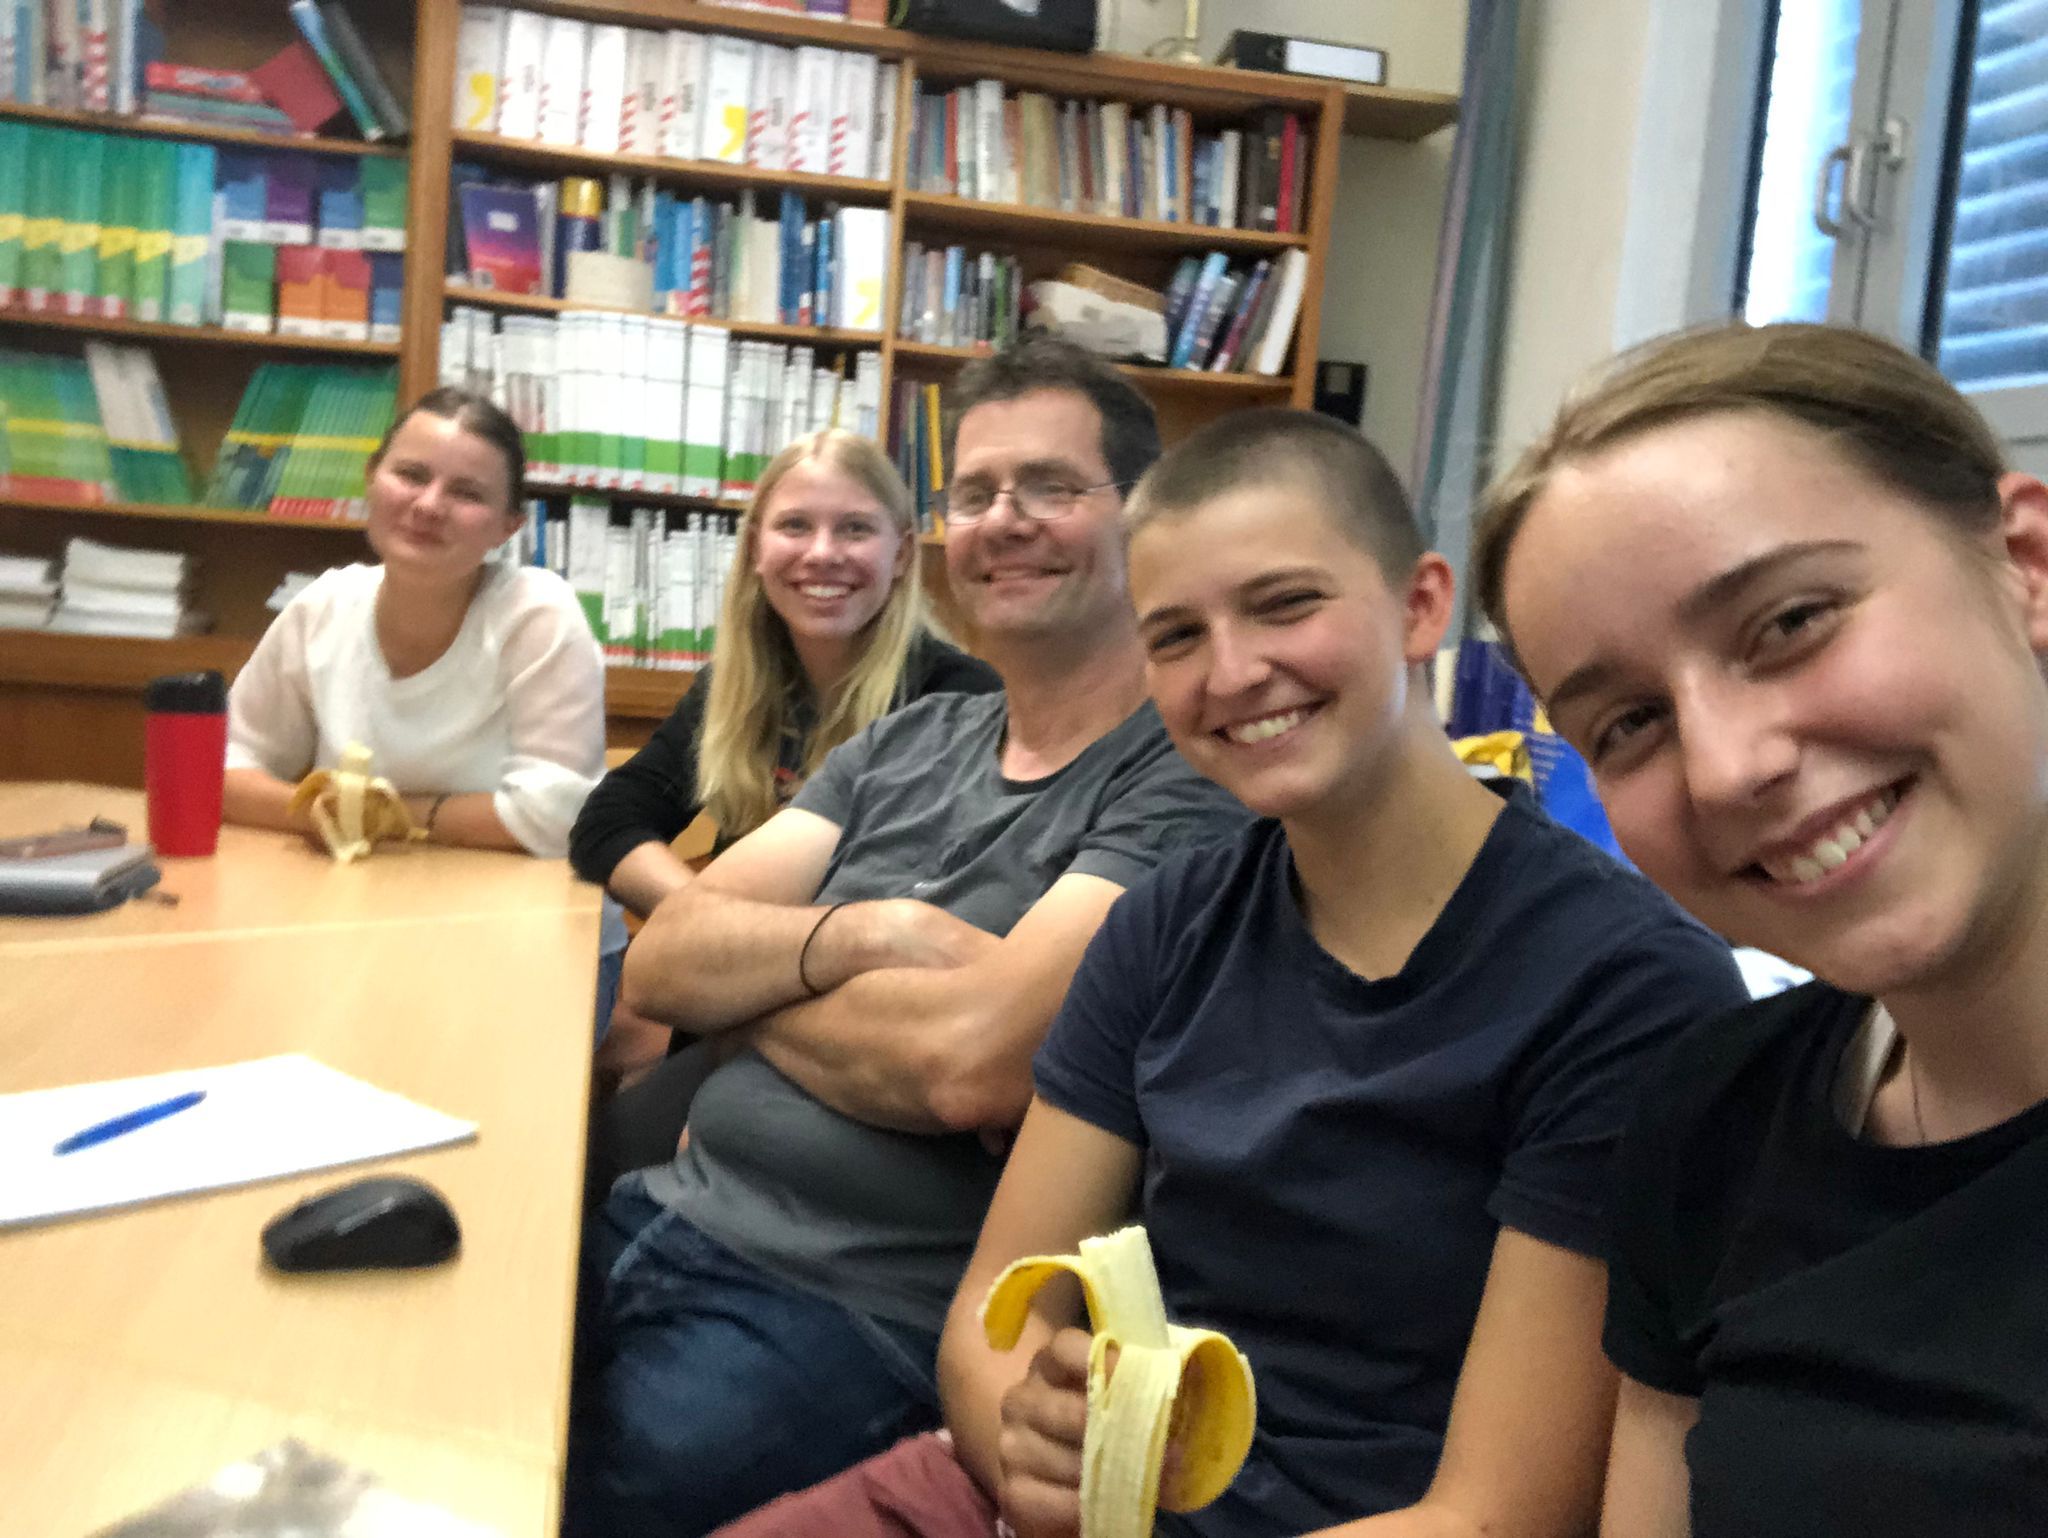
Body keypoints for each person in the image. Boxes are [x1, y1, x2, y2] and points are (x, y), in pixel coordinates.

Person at [710, 409, 1748, 1538]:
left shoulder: (1625, 989)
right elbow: (996, 1313)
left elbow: (1498, 1512)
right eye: (1175, 636)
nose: (1233, 673)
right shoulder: (1166, 922)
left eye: (1284, 604)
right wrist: (1026, 1437)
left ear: (1420, 605)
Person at [562, 337, 1251, 1538]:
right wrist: (872, 934)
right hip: (665, 1208)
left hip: (849, 1304)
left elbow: (967, 1062)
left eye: (1048, 485)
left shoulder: (1185, 777)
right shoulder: (907, 739)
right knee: (410, 1386)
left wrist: (751, 996)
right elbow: (665, 961)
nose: (1003, 519)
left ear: (1142, 517)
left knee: (565, 1496)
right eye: (975, 492)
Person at [1472, 321, 2048, 1538]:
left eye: (1789, 622)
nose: (1726, 767)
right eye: (1629, 722)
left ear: (2024, 566)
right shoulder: (1710, 1124)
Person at [570, 428, 998, 1057]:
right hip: (727, 1009)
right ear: (754, 549)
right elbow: (607, 822)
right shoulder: (735, 688)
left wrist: (726, 942)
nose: (822, 553)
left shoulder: (958, 701)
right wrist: (709, 929)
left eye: (855, 529)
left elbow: (929, 923)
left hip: (852, 1038)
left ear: (903, 553)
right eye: (795, 526)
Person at [224, 387, 602, 857]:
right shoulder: (322, 606)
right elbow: (223, 765)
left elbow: (559, 815)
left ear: (508, 527)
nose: (428, 505)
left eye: (466, 493)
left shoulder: (538, 615)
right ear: (370, 478)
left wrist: (380, 816)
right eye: (411, 475)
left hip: (499, 895)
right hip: (347, 889)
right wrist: (322, 814)